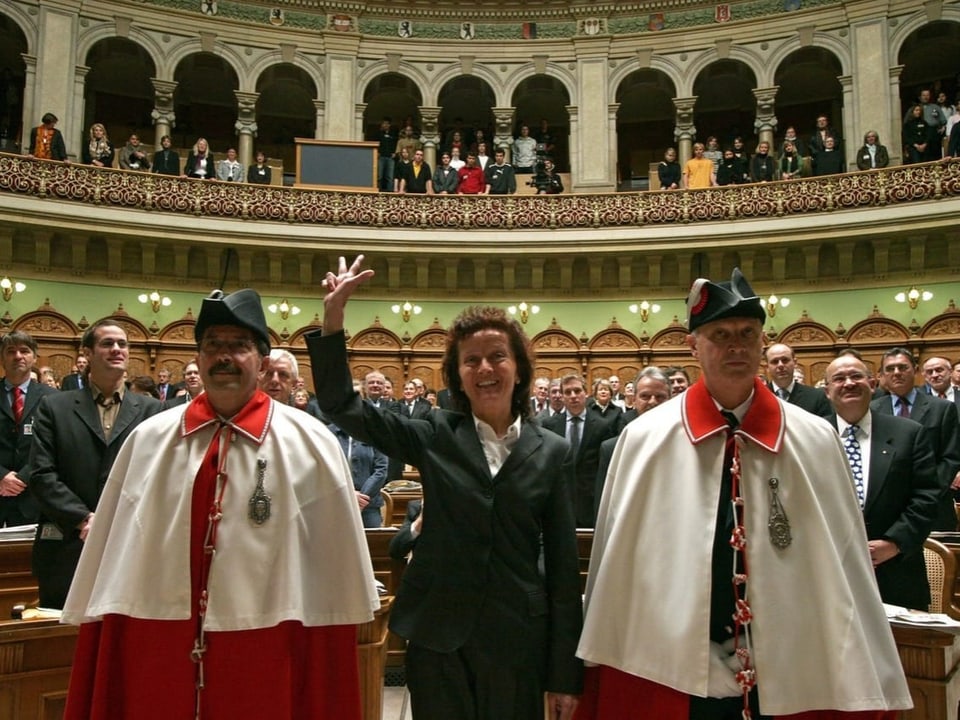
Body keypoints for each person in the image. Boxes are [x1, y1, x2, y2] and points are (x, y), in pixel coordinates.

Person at [575, 268, 911, 719]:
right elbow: (617, 569)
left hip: (790, 663)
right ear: (694, 346)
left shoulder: (814, 437)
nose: (736, 345)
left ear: (761, 341)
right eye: (720, 334)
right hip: (674, 667)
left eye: (747, 333)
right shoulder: (645, 438)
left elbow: (844, 561)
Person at [61, 288, 379, 719]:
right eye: (213, 346)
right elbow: (116, 561)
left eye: (239, 346)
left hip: (273, 643)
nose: (224, 356)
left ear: (263, 363)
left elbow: (331, 579)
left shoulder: (312, 443)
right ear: (199, 357)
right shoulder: (150, 440)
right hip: (159, 641)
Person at [308, 255, 583, 720]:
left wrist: (564, 675)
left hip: (517, 640)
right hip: (439, 637)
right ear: (458, 375)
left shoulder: (552, 451)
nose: (485, 368)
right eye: (470, 360)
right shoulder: (435, 433)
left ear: (518, 368)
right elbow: (341, 405)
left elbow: (561, 569)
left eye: (498, 356)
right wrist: (333, 322)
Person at [29, 320, 163, 608]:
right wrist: (84, 518)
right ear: (87, 353)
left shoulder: (152, 411)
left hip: (130, 544)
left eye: (123, 344)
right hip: (67, 546)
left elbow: (158, 476)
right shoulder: (55, 407)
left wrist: (116, 520)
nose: (117, 349)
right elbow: (42, 474)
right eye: (107, 343)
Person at [824, 354, 940, 610]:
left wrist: (894, 543)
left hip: (896, 572)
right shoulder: (811, 436)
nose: (849, 383)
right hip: (829, 572)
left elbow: (927, 497)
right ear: (827, 391)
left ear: (873, 383)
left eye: (856, 376)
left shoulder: (908, 433)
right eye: (839, 378)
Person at [871, 347, 960, 531]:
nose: (896, 373)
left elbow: (950, 457)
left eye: (903, 367)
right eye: (890, 369)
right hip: (886, 509)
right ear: (882, 375)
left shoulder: (942, 408)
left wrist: (929, 492)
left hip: (933, 506)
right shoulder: (872, 410)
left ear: (916, 370)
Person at [542, 374, 619, 528]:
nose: (573, 396)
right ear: (562, 396)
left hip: (589, 500)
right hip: (558, 499)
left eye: (577, 391)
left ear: (586, 393)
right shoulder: (549, 425)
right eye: (568, 392)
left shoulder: (603, 426)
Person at [0, 330, 57, 527]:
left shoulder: (53, 398)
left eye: (24, 351)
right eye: (11, 351)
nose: (18, 356)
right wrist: (2, 476)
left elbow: (55, 446)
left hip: (33, 496)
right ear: (2, 358)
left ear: (34, 357)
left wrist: (23, 477)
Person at [764, 342, 832, 417]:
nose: (780, 365)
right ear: (767, 367)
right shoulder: (758, 397)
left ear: (795, 363)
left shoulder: (817, 396)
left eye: (785, 360)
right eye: (775, 362)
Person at [376, 117, 398, 192]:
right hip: (381, 157)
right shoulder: (378, 134)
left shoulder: (393, 134)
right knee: (379, 176)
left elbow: (396, 144)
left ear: (389, 125)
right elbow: (375, 144)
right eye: (383, 123)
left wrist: (395, 153)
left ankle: (390, 192)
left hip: (390, 158)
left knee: (390, 177)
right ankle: (378, 191)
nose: (384, 125)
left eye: (386, 124)